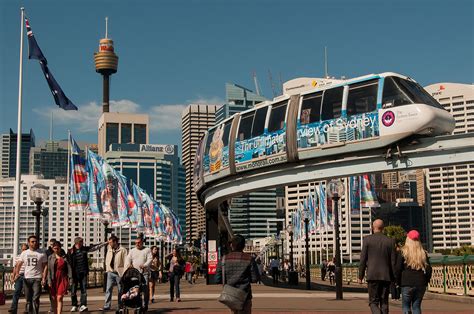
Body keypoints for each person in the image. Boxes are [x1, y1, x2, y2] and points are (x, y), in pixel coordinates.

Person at [358, 219, 396, 314]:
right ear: (383, 228)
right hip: (386, 276)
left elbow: (362, 260)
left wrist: (360, 276)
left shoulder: (367, 240)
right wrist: (394, 277)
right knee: (384, 301)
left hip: (372, 275)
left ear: (372, 227)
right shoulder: (390, 241)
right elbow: (393, 262)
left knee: (373, 302)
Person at [216, 234, 260, 314]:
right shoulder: (249, 259)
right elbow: (255, 278)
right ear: (243, 246)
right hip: (245, 295)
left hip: (230, 296)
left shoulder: (223, 259)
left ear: (232, 245)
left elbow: (217, 279)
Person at [397, 230, 432, 314]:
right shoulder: (423, 253)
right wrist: (426, 281)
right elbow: (429, 269)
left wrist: (398, 282)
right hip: (420, 283)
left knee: (406, 306)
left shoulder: (403, 252)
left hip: (406, 282)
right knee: (416, 306)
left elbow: (398, 269)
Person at [68, 236, 108, 312]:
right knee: (73, 291)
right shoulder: (70, 251)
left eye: (82, 242)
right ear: (76, 243)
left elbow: (95, 247)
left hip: (83, 272)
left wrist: (105, 243)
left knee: (84, 291)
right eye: (81, 242)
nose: (82, 243)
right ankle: (74, 305)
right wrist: (69, 275)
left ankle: (83, 305)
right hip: (74, 274)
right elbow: (68, 263)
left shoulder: (84, 249)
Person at [14, 235, 47, 314]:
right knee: (28, 299)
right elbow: (19, 263)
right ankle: (29, 312)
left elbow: (45, 266)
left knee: (35, 298)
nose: (34, 243)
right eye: (32, 242)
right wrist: (17, 273)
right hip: (26, 278)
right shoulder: (24, 253)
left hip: (37, 278)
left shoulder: (42, 253)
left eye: (36, 241)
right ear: (28, 243)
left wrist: (43, 277)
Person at [125, 235, 152, 310]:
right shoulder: (132, 250)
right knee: (136, 288)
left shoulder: (147, 250)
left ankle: (145, 304)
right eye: (136, 243)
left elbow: (150, 259)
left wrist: (145, 265)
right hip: (134, 273)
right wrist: (129, 265)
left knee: (145, 289)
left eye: (139, 242)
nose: (137, 244)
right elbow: (128, 259)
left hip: (144, 272)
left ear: (142, 242)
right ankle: (137, 303)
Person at [102, 235, 127, 311]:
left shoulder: (123, 250)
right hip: (110, 272)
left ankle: (120, 305)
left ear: (115, 242)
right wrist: (107, 269)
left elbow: (126, 262)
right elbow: (107, 259)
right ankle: (107, 305)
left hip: (119, 273)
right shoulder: (109, 249)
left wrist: (124, 273)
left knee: (120, 290)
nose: (109, 244)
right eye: (109, 242)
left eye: (110, 242)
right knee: (108, 289)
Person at [48, 241, 72, 314]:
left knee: (59, 297)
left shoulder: (65, 257)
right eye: (55, 248)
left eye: (58, 248)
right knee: (54, 298)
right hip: (53, 279)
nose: (56, 250)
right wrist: (49, 281)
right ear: (52, 249)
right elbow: (49, 270)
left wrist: (70, 280)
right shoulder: (50, 257)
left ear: (60, 248)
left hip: (62, 278)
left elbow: (69, 269)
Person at [9, 243, 28, 313]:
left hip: (27, 276)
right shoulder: (18, 257)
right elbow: (15, 267)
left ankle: (27, 309)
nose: (24, 251)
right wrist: (13, 276)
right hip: (19, 276)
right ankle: (13, 308)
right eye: (23, 249)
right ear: (21, 250)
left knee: (27, 293)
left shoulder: (28, 257)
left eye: (25, 249)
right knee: (16, 292)